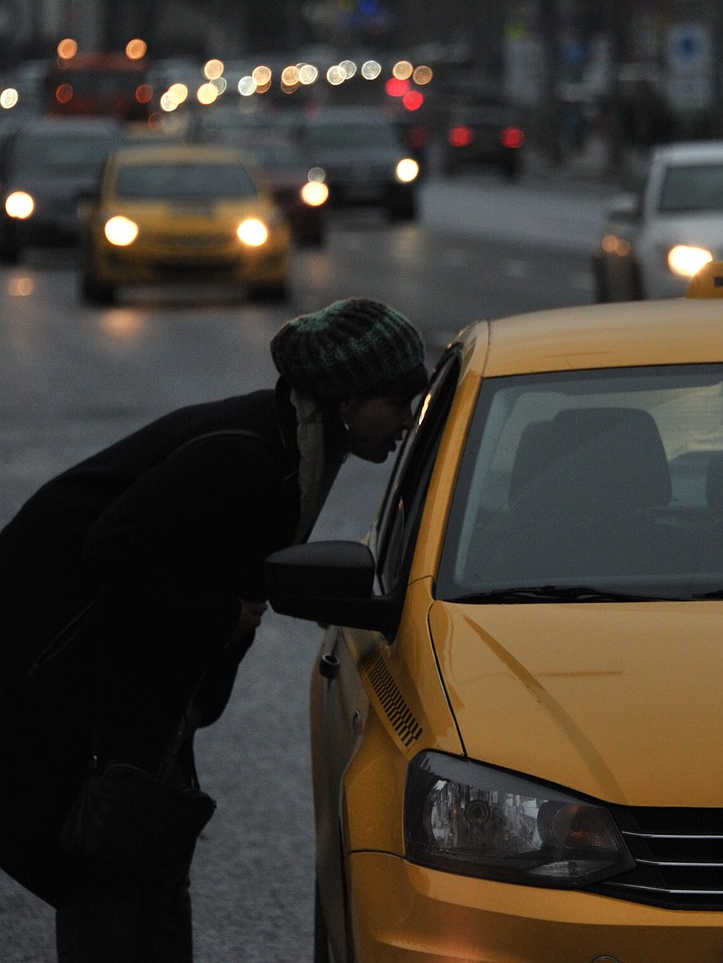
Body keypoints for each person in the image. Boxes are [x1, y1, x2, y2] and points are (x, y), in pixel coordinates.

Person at [0, 296, 427, 962]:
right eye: (399, 400)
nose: (406, 420)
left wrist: (198, 697)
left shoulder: (295, 450)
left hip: (138, 676)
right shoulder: (248, 454)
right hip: (70, 670)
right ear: (347, 396)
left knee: (149, 858)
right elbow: (115, 549)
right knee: (109, 862)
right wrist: (219, 618)